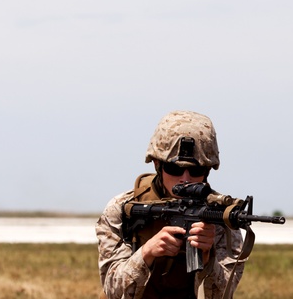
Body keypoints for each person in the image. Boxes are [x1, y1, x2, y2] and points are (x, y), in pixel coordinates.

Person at [96, 111, 245, 299]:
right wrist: (147, 253)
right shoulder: (123, 208)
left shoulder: (221, 215)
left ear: (207, 171)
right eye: (174, 169)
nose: (185, 179)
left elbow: (222, 294)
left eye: (195, 170)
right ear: (157, 164)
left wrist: (207, 259)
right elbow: (113, 290)